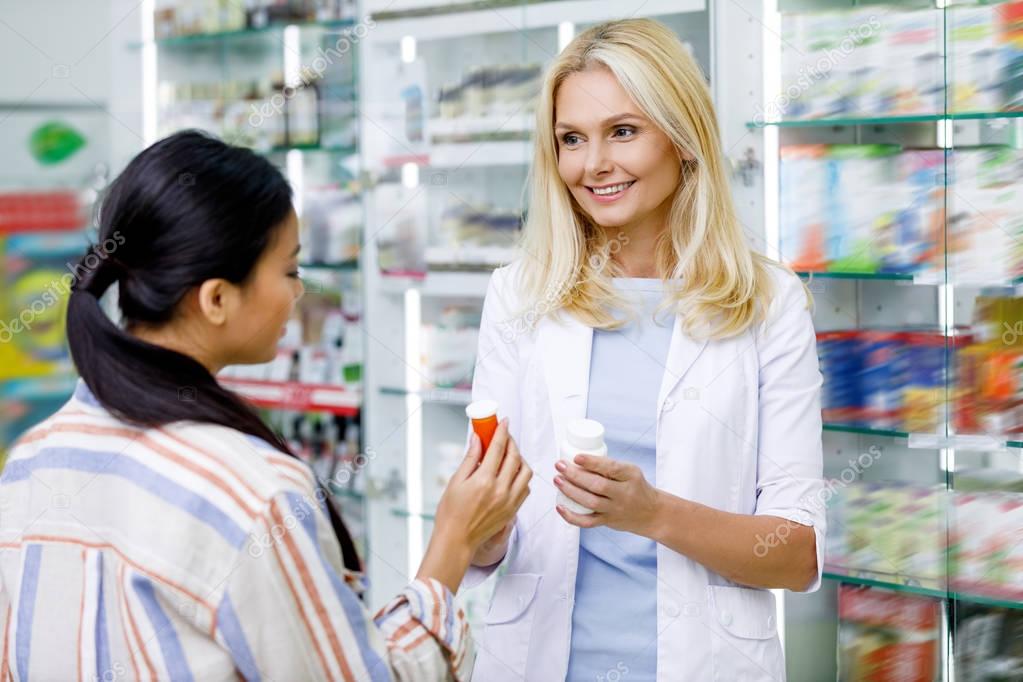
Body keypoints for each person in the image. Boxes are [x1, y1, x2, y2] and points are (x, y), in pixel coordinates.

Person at [0, 130, 531, 681]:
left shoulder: (33, 459)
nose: (298, 293)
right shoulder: (253, 494)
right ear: (217, 299)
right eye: (290, 270)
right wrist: (454, 543)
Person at [465, 18, 825, 681]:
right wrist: (479, 528)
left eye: (622, 132)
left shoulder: (767, 302)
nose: (592, 163)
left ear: (682, 139)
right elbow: (488, 539)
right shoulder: (519, 294)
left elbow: (794, 553)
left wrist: (651, 513)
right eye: (571, 139)